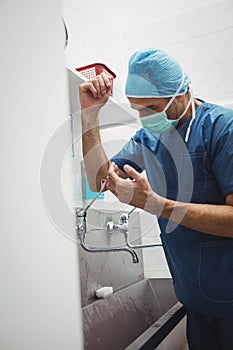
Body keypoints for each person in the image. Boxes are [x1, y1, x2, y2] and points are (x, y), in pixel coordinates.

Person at [79, 49, 233, 350]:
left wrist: (157, 205)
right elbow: (98, 180)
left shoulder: (222, 128)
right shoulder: (148, 141)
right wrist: (89, 116)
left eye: (152, 108)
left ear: (182, 93)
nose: (145, 119)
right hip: (196, 305)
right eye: (139, 110)